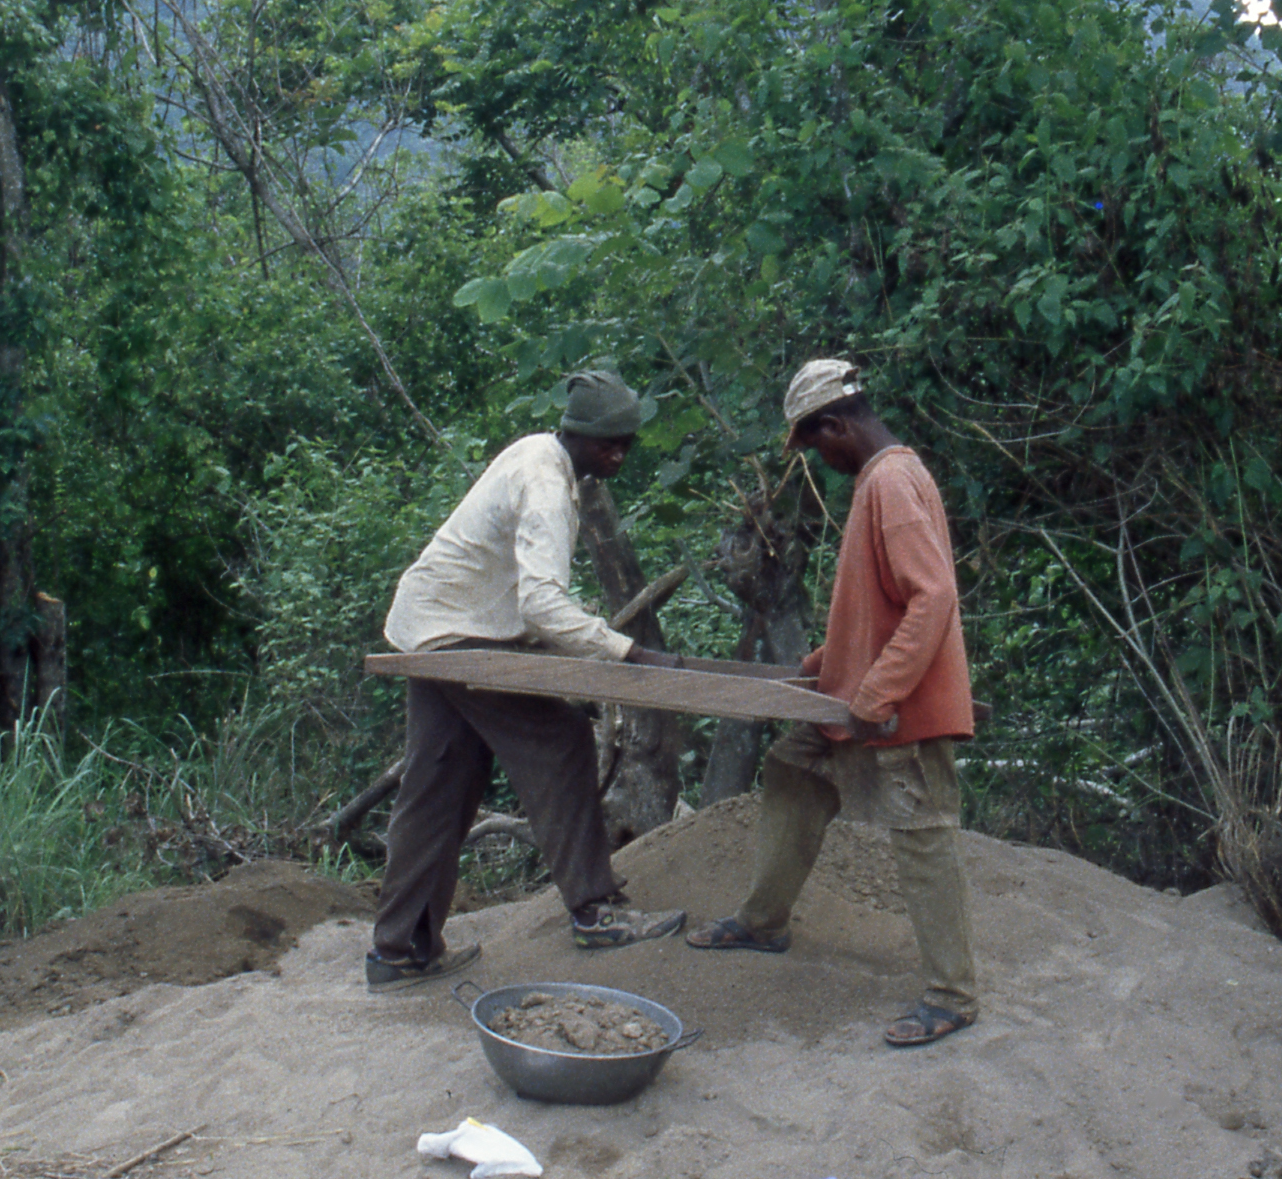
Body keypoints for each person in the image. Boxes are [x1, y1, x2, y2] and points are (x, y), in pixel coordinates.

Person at [684, 359, 979, 1047]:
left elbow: (932, 596)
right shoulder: (884, 479)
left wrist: (875, 693)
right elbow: (874, 608)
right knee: (793, 766)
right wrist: (823, 666)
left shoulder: (891, 482)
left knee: (923, 832)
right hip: (855, 695)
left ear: (837, 425)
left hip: (900, 706)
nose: (821, 460)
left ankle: (953, 994)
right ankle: (764, 921)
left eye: (816, 445)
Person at [366, 370, 687, 988]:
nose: (618, 455)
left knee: (439, 782)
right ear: (577, 433)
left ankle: (399, 950)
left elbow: (524, 600)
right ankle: (595, 911)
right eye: (608, 444)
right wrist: (629, 654)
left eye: (626, 443)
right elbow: (541, 603)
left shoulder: (539, 453)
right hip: (455, 636)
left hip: (429, 624)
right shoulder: (545, 483)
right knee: (562, 742)